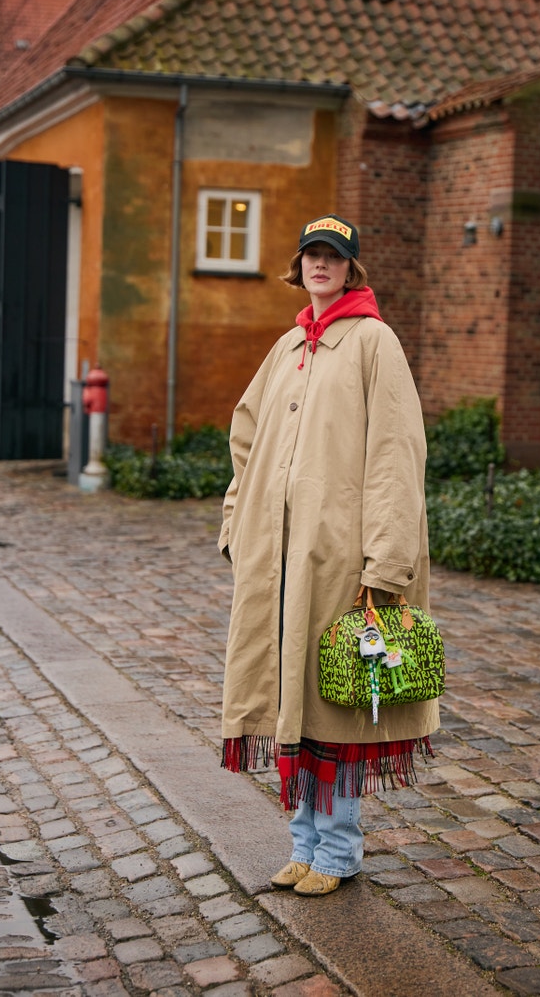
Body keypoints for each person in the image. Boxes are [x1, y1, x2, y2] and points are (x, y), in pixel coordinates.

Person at [218, 213, 440, 896]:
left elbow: (396, 456)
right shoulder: (288, 347)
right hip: (278, 564)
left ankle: (339, 852)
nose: (321, 265)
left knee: (337, 705)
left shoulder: (375, 342)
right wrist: (236, 521)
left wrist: (385, 563)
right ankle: (303, 845)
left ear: (351, 269)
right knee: (291, 705)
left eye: (333, 257)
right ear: (300, 265)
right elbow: (245, 439)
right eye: (311, 253)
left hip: (342, 562)